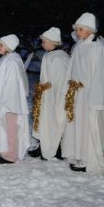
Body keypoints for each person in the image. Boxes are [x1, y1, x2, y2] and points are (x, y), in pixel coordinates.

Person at [61, 13, 104, 174]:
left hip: (89, 94)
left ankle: (88, 157)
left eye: (80, 29)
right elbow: (72, 68)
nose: (77, 32)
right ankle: (78, 154)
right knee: (78, 124)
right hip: (77, 93)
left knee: (88, 125)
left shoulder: (98, 48)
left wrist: (95, 96)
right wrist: (69, 87)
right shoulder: (78, 47)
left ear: (89, 30)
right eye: (76, 29)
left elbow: (101, 75)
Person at [0, 35, 30, 164]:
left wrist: (6, 104)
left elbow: (12, 85)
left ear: (9, 46)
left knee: (11, 128)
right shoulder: (4, 60)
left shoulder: (12, 62)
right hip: (3, 100)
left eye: (1, 45)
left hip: (10, 103)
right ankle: (3, 150)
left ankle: (11, 155)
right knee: (5, 128)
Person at [28, 27, 70, 160]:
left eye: (44, 41)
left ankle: (55, 148)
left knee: (55, 121)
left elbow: (60, 81)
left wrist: (51, 93)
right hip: (46, 95)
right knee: (44, 121)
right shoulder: (49, 55)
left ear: (53, 42)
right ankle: (45, 145)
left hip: (54, 96)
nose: (42, 44)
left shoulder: (59, 58)